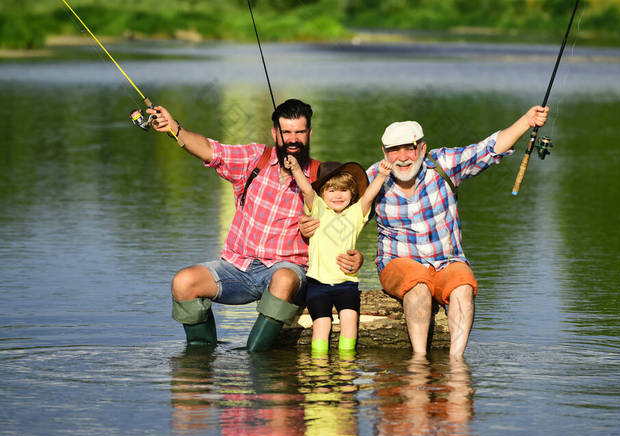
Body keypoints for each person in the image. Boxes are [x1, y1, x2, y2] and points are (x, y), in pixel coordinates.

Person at [146, 99, 363, 350]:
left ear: (309, 133)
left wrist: (356, 258)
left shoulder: (319, 176)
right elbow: (210, 149)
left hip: (287, 270)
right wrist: (175, 128)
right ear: (274, 133)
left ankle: (255, 357)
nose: (293, 139)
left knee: (283, 277)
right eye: (286, 132)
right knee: (183, 282)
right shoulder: (254, 159)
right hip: (237, 267)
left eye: (300, 132)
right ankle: (201, 358)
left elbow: (346, 226)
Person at [366, 105, 549, 358]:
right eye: (394, 150)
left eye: (410, 148)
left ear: (422, 148)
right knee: (417, 285)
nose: (403, 157)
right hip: (399, 262)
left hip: (447, 261)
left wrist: (527, 121)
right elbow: (345, 217)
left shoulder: (442, 164)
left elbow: (488, 149)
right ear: (384, 152)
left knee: (463, 285)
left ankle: (456, 360)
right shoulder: (373, 177)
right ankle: (419, 361)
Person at [285, 155, 393, 354]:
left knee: (350, 320)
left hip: (347, 283)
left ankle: (346, 366)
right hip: (317, 283)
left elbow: (369, 196)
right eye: (332, 190)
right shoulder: (318, 209)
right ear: (323, 194)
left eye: (343, 190)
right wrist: (296, 169)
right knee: (322, 324)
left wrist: (382, 175)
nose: (338, 195)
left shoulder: (354, 214)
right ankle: (319, 368)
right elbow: (307, 189)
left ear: (352, 194)